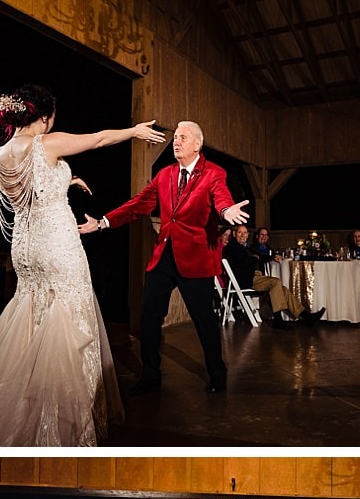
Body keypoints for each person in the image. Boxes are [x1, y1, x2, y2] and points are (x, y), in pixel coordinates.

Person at [0, 86, 157, 444]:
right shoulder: (47, 143)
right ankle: (62, 423)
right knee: (71, 314)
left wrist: (65, 180)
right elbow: (99, 139)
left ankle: (16, 408)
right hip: (57, 242)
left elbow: (27, 191)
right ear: (43, 116)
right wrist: (133, 132)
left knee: (32, 314)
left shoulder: (1, 155)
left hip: (25, 246)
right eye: (51, 117)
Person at [87, 120, 250, 394]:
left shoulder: (213, 173)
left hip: (195, 259)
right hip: (163, 258)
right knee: (149, 316)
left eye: (183, 138)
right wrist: (103, 222)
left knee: (204, 320)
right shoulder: (164, 175)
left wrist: (225, 211)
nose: (176, 142)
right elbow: (139, 204)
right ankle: (151, 374)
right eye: (175, 138)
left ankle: (217, 372)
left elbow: (220, 196)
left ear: (197, 144)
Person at [223, 225, 314, 326]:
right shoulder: (233, 247)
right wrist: (254, 259)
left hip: (251, 276)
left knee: (282, 289)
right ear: (235, 234)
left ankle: (306, 316)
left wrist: (269, 257)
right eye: (240, 232)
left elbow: (259, 257)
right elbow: (243, 262)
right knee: (275, 282)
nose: (243, 235)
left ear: (248, 234)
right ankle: (278, 320)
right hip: (245, 279)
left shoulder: (243, 247)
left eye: (245, 233)